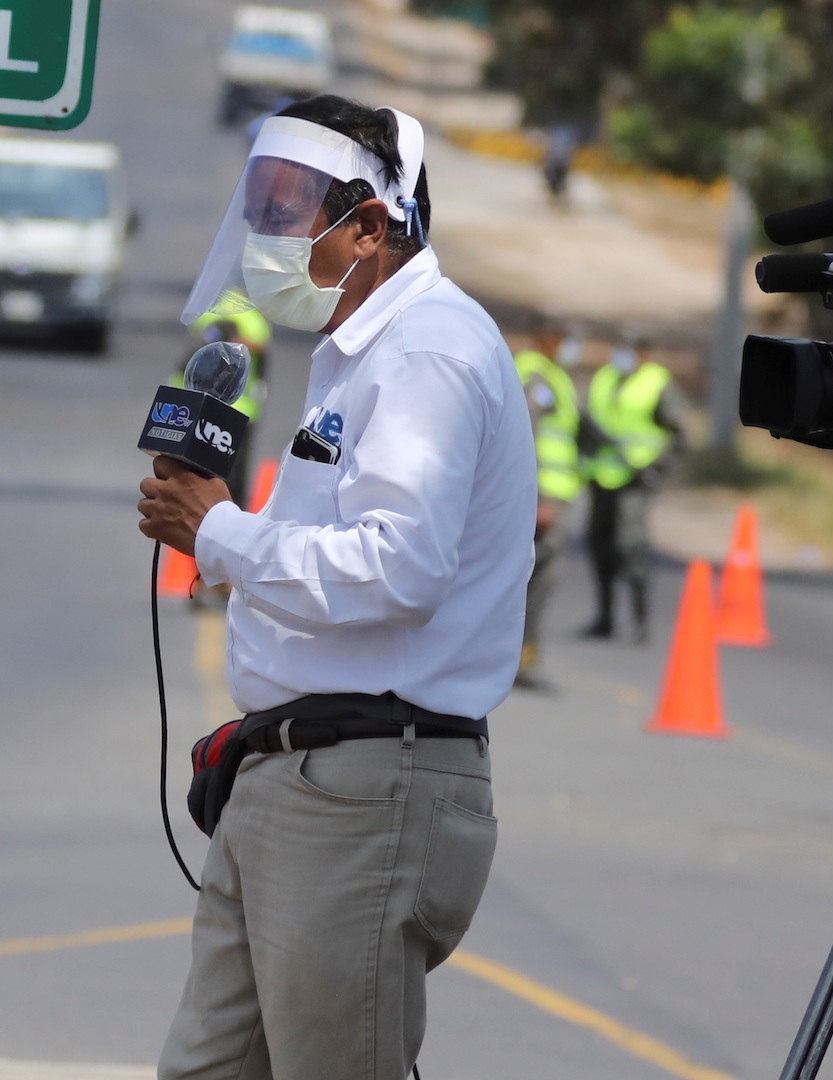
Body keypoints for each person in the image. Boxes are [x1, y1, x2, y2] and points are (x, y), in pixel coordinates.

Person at [136, 95, 536, 1077]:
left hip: (362, 787)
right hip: (295, 779)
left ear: (370, 225)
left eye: (291, 203)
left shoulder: (429, 350)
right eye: (262, 199)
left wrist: (220, 532)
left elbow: (398, 568)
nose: (269, 227)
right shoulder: (360, 355)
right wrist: (226, 530)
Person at [578, 340, 685, 644]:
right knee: (600, 546)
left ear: (645, 354)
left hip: (636, 481)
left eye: (631, 351)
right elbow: (586, 425)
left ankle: (640, 621)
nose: (622, 357)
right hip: (601, 477)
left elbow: (680, 434)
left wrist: (657, 468)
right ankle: (605, 618)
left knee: (630, 546)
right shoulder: (604, 379)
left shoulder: (657, 384)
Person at [513, 335, 583, 692]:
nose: (574, 346)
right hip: (544, 498)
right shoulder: (537, 377)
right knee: (536, 581)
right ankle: (521, 661)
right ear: (548, 337)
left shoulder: (554, 377)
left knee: (535, 579)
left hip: (554, 495)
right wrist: (539, 498)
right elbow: (526, 433)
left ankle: (520, 659)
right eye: (566, 337)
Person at [180, 304, 272, 509]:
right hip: (204, 404)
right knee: (197, 468)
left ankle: (230, 514)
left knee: (233, 474)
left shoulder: (253, 321)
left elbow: (261, 353)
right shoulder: (210, 314)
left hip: (239, 409)